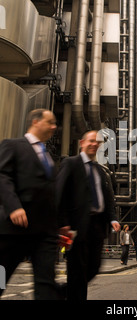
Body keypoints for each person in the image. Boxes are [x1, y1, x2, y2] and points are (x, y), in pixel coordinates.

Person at [0, 109, 60, 299]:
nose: (54, 127)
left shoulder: (48, 156)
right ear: (35, 122)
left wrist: (61, 224)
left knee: (46, 285)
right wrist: (14, 206)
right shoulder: (13, 146)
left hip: (44, 233)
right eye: (50, 122)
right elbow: (2, 176)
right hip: (14, 229)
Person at [56, 130, 120, 300]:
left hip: (97, 227)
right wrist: (63, 222)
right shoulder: (70, 163)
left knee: (93, 268)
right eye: (90, 141)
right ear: (82, 143)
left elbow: (107, 197)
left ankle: (62, 292)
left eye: (97, 142)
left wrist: (112, 218)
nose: (94, 144)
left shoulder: (100, 170)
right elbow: (59, 192)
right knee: (77, 270)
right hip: (76, 227)